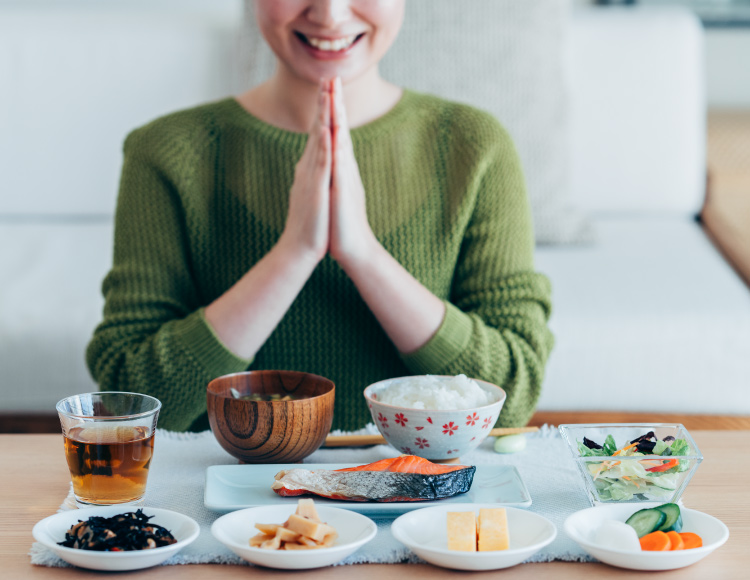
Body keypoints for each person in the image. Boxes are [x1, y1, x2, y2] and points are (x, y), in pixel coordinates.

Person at [86, 0, 554, 433]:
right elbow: (133, 405)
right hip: (232, 503)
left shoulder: (473, 144)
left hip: (419, 501)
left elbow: (512, 397)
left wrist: (364, 255)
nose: (330, 15)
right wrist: (294, 252)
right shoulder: (167, 151)